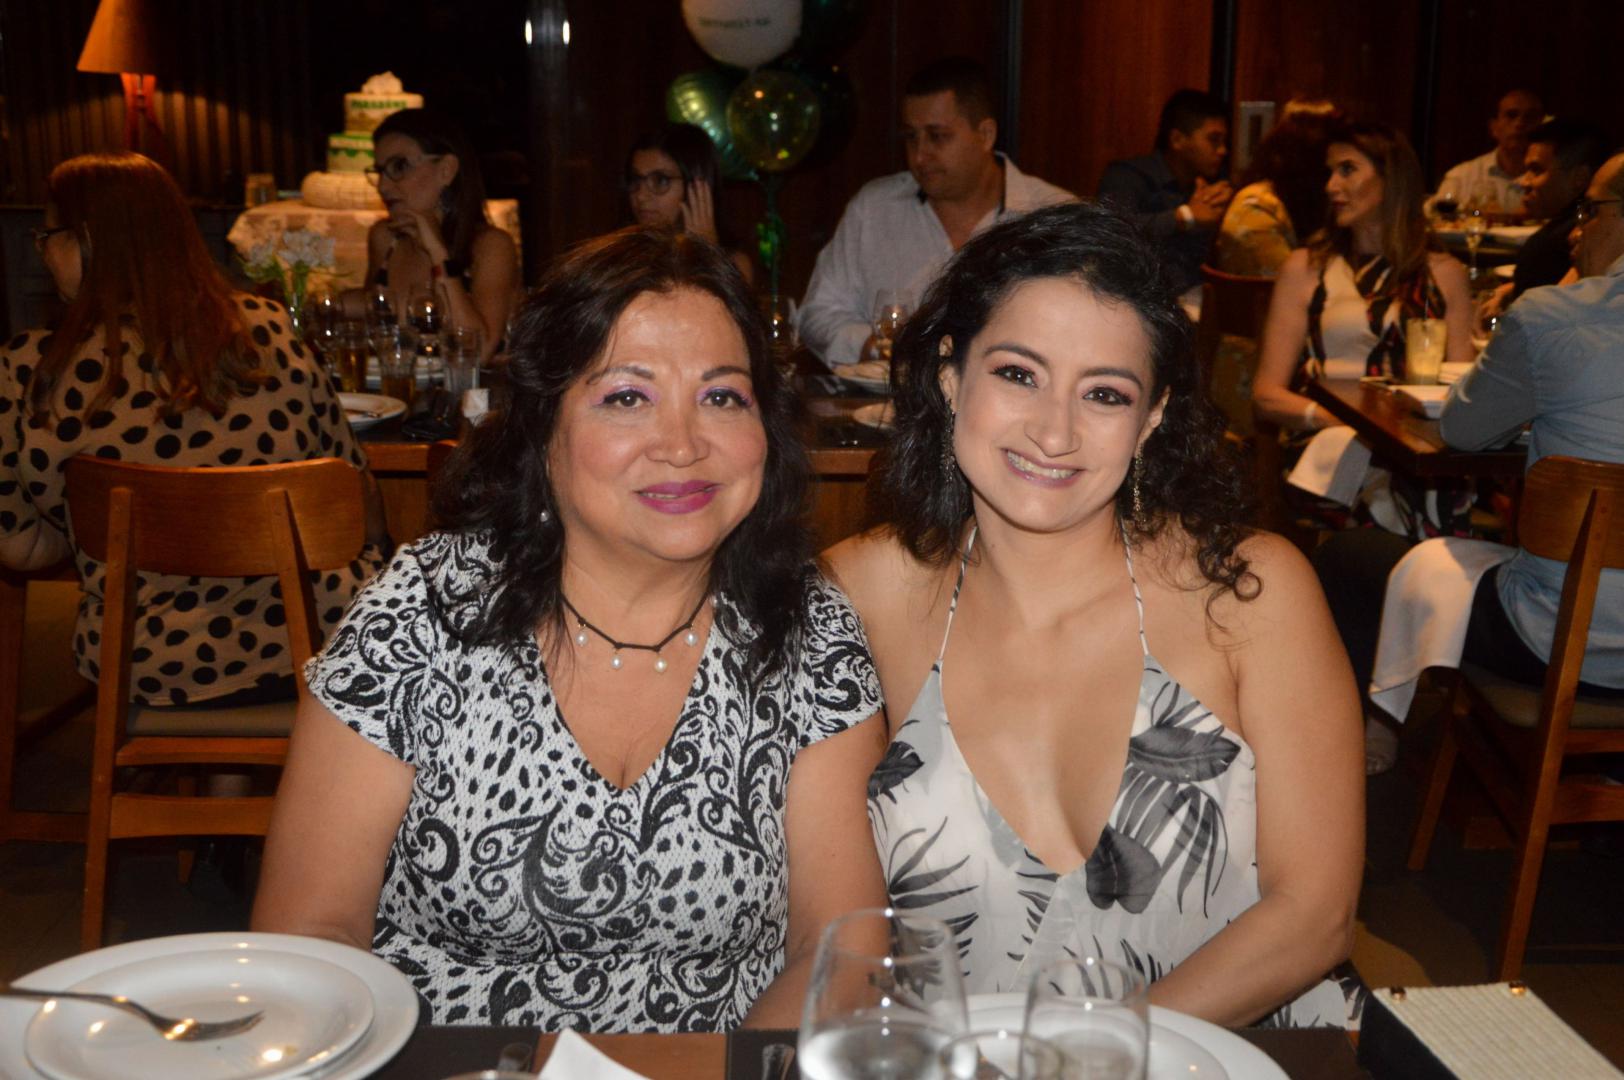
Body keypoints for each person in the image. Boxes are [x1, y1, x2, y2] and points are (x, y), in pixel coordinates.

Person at [253, 228, 888, 1030]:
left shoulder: (805, 628)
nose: (683, 444)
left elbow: (844, 950)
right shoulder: (423, 611)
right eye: (627, 397)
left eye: (722, 397)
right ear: (543, 430)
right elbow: (309, 934)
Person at [829, 203, 1364, 1028]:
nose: (1056, 432)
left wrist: (1091, 1058)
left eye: (1105, 394)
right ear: (950, 376)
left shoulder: (1248, 593)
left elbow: (1315, 915)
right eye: (1018, 375)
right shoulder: (863, 594)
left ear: (1151, 419)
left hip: (1248, 1054)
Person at [0, 152, 388, 706]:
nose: (42, 251)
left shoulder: (28, 369)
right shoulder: (268, 329)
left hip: (150, 659)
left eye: (49, 235)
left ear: (90, 239)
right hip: (320, 636)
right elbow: (353, 497)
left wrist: (107, 526)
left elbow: (20, 547)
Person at [1314, 151, 1624, 749]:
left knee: (1348, 558)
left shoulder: (1556, 316)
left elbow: (1462, 431)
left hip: (1562, 645)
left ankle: (1356, 748)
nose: (1576, 229)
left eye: (1589, 211)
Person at [797, 56, 1072, 368]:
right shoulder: (874, 208)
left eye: (937, 136)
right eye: (911, 137)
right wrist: (876, 347)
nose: (920, 155)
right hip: (891, 396)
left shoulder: (1053, 216)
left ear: (985, 134)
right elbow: (818, 313)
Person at [1254, 121, 1473, 432]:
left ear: (1390, 178)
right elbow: (1266, 396)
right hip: (1326, 433)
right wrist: (1344, 424)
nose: (1331, 186)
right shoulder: (1306, 267)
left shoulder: (1445, 274)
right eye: (1330, 172)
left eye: (1347, 170)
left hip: (1408, 441)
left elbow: (1465, 394)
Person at [358, 108, 519, 361]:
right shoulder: (386, 238)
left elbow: (479, 351)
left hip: (467, 387)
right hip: (395, 385)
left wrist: (437, 252)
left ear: (446, 170)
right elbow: (368, 312)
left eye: (399, 166)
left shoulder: (491, 246)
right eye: (379, 171)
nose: (383, 186)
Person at [1098, 89, 1233, 293]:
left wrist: (1230, 212)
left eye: (1224, 142)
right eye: (1214, 140)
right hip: (1135, 297)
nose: (1223, 150)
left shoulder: (1214, 184)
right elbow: (1109, 232)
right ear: (1177, 139)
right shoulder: (1128, 176)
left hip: (1194, 297)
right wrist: (1185, 217)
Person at [1478, 118, 1611, 318]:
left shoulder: (1585, 236)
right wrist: (1510, 290)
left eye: (1536, 170)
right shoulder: (1570, 225)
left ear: (1579, 178)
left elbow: (1550, 311)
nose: (1525, 182)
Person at [1214, 99, 1344, 277]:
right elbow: (1294, 286)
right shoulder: (1256, 209)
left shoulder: (1309, 206)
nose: (1339, 182)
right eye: (1338, 168)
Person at [625, 122, 754, 285]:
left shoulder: (734, 264)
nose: (641, 196)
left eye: (661, 181)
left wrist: (705, 256)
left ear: (696, 186)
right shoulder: (621, 257)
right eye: (636, 180)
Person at [1432, 89, 1544, 215]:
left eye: (1530, 117)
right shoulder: (1461, 177)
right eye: (1511, 115)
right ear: (1494, 127)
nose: (1520, 123)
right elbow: (1433, 216)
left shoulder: (1550, 181)